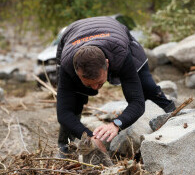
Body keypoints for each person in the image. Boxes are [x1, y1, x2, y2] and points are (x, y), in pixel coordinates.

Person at [56, 16, 175, 155]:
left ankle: (175, 116)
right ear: (76, 72)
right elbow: (63, 114)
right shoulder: (67, 66)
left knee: (148, 88)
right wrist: (90, 137)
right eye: (90, 84)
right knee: (75, 101)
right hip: (71, 37)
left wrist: (116, 124)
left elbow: (137, 102)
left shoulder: (120, 54)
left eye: (100, 83)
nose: (95, 88)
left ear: (107, 64)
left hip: (115, 38)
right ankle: (65, 148)